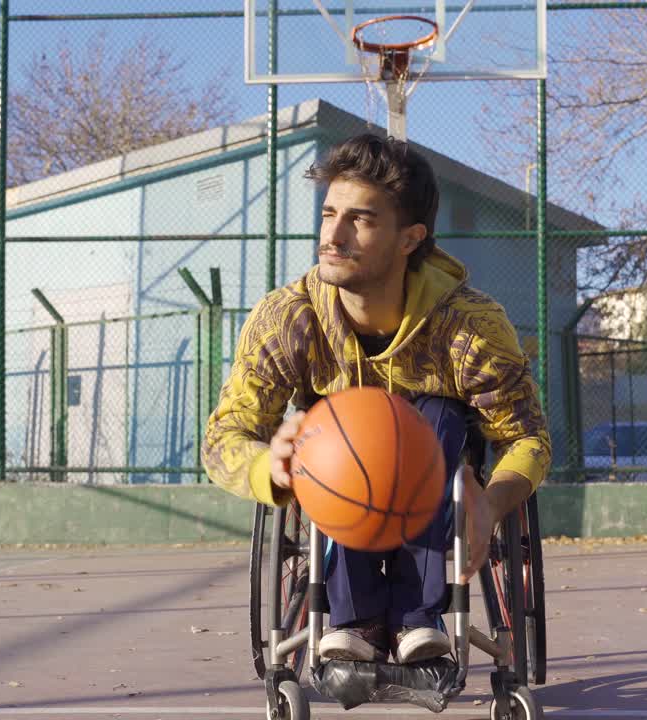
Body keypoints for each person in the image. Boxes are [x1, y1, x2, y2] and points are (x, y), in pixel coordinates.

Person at [203, 133, 550, 665]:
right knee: (340, 419)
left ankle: (419, 618)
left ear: (410, 238)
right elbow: (224, 436)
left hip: (435, 464)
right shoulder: (287, 319)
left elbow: (527, 436)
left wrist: (493, 501)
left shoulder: (472, 326)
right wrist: (266, 466)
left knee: (436, 413)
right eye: (328, 214)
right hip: (337, 465)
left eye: (360, 220)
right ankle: (355, 619)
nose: (333, 236)